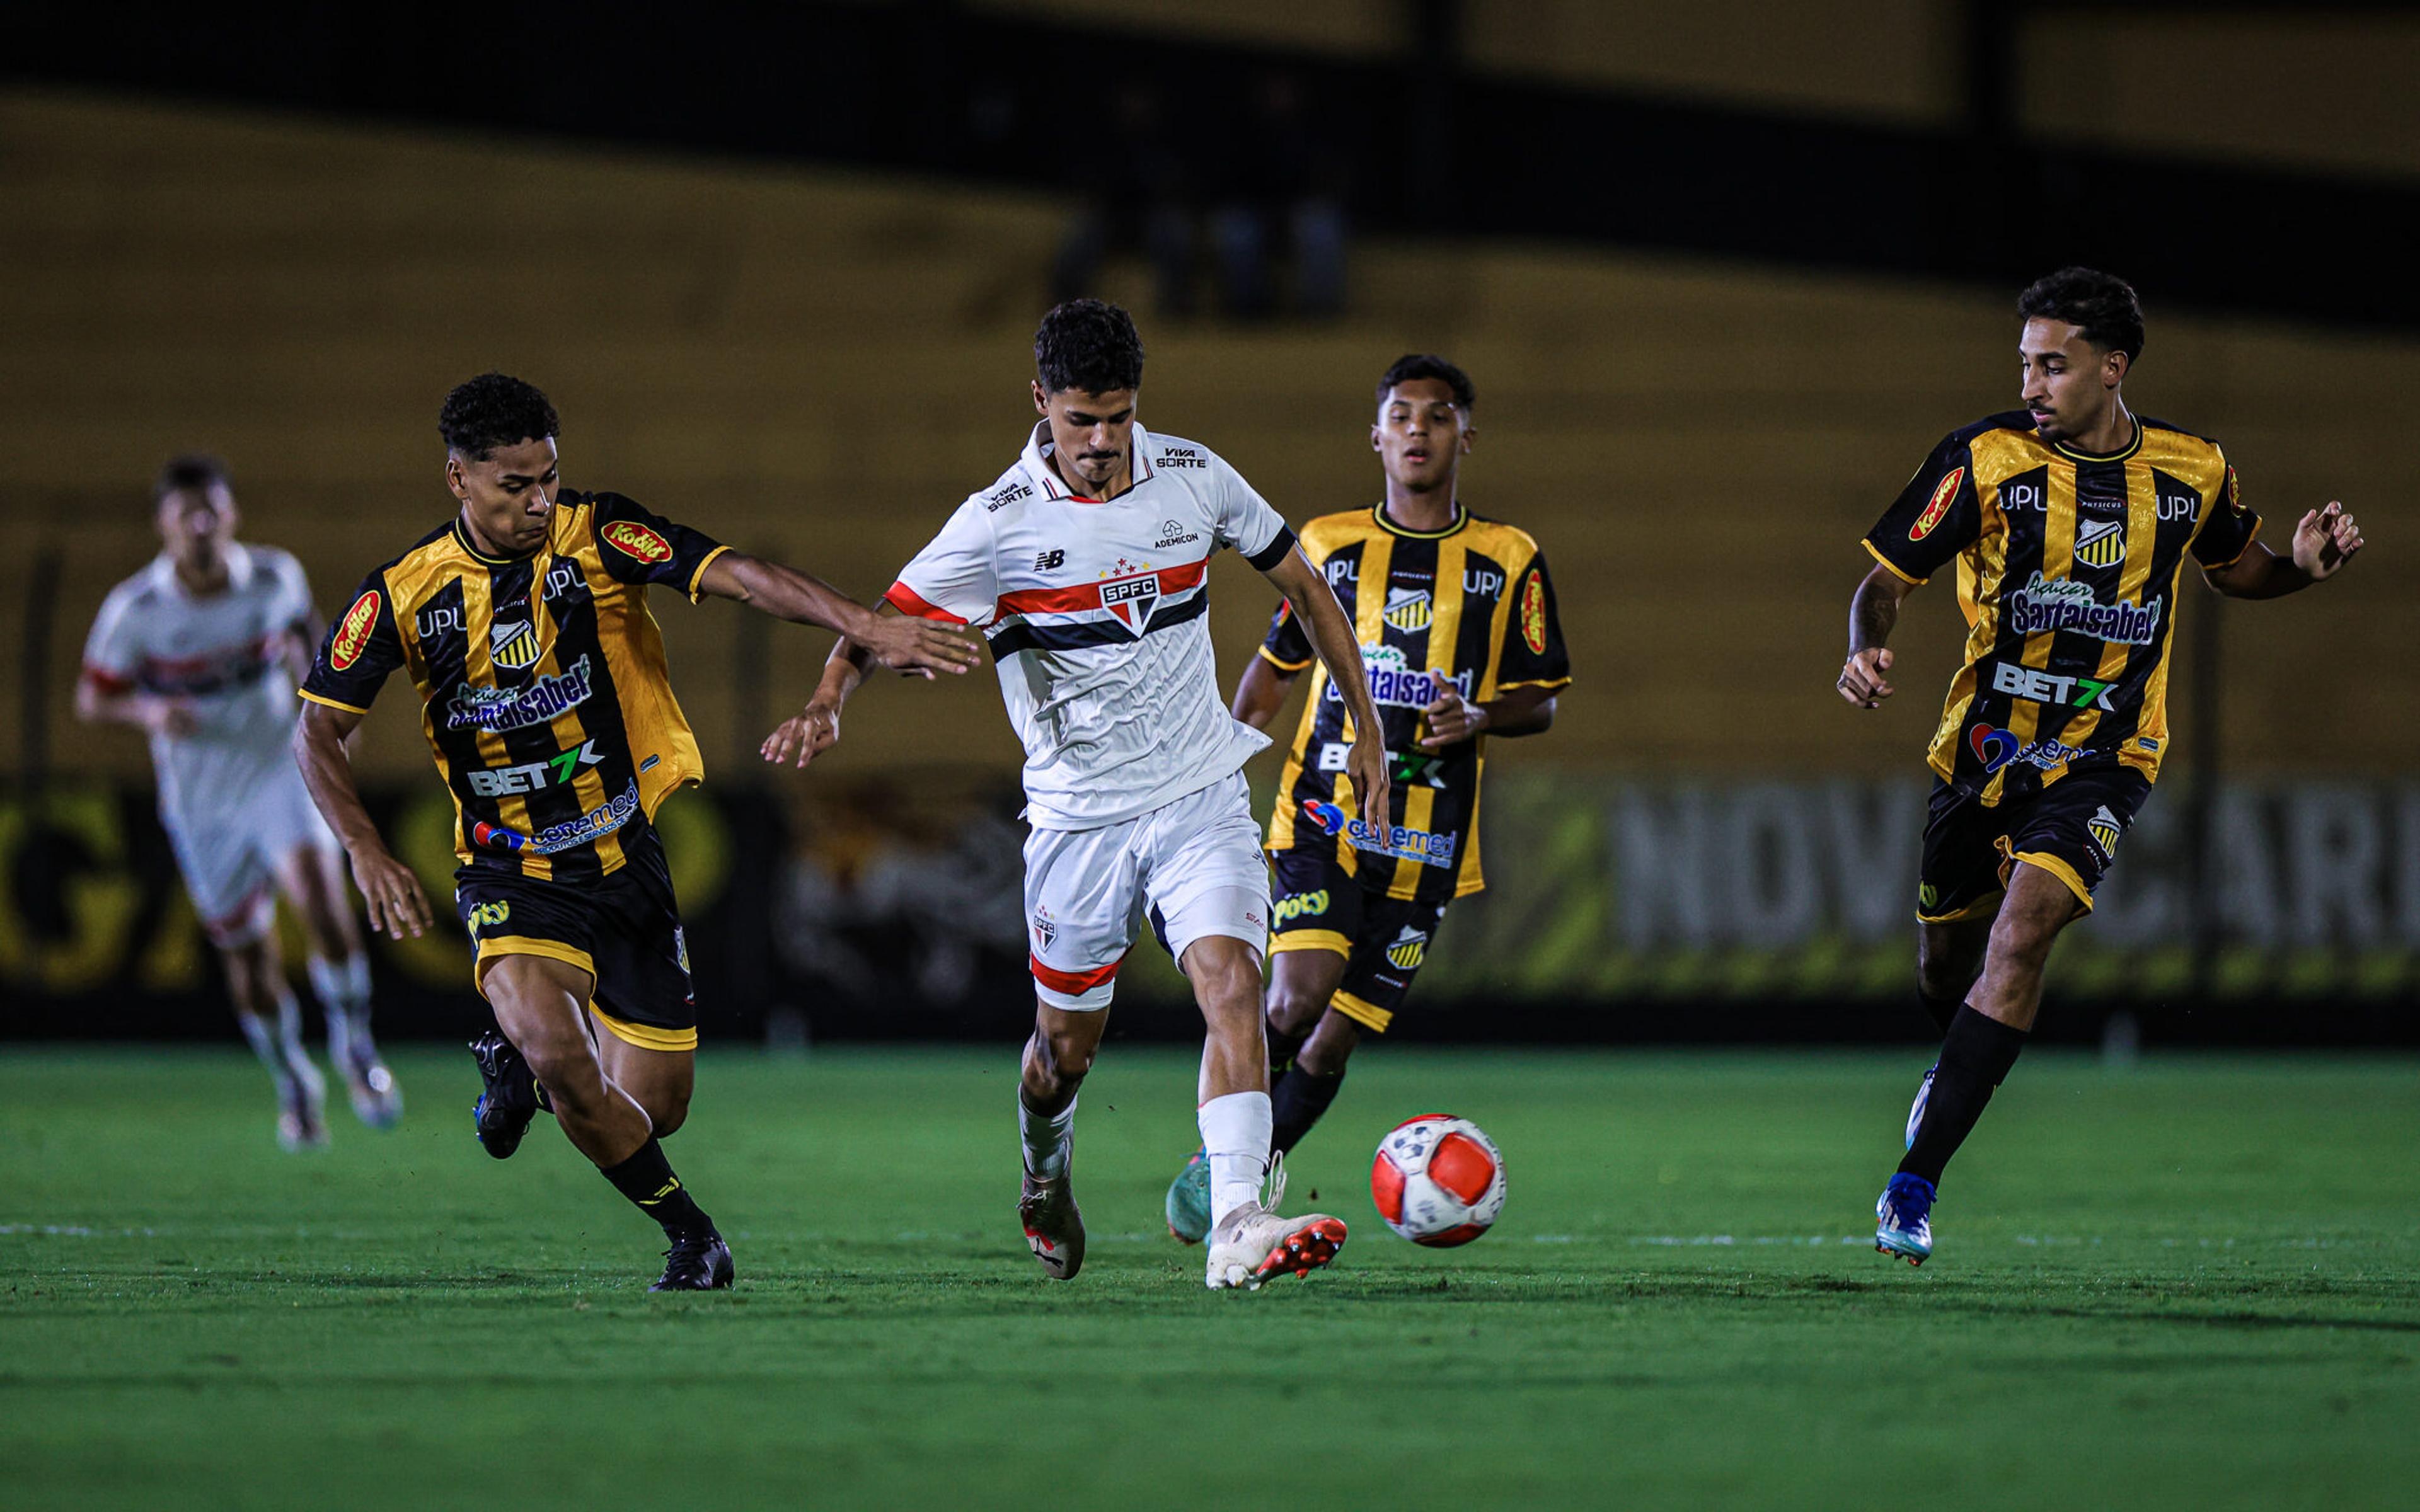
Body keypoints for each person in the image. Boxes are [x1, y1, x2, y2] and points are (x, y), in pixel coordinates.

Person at [292, 374, 974, 1291]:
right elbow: (315, 730)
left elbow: (737, 574)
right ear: (458, 478)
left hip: (626, 863)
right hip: (513, 873)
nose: (539, 502)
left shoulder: (600, 534)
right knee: (569, 1057)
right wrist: (367, 851)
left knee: (652, 1111)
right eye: (515, 485)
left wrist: (864, 624)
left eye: (549, 478)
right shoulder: (403, 598)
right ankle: (694, 1238)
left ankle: (519, 1069)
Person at [766, 300, 1390, 1290]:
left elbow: (1306, 589)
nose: (1102, 444)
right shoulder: (997, 523)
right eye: (1081, 421)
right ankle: (1043, 1169)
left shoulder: (1194, 475)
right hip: (1078, 823)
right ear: (1039, 403)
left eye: (1119, 418)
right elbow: (880, 624)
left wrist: (1366, 723)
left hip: (1198, 793)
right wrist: (828, 700)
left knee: (1231, 983)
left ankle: (1238, 1224)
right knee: (1063, 1052)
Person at [1838, 267, 2366, 1266]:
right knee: (1944, 965)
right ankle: (1953, 1069)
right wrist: (1860, 648)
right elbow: (1884, 583)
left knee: (2025, 930)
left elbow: (2238, 566)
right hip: (1985, 750)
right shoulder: (1985, 460)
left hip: (2108, 756)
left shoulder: (2191, 470)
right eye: (2026, 364)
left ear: (2111, 367)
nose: (2033, 383)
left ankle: (1913, 1185)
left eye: (2055, 365)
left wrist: (2301, 565)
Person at [1158, 354, 1570, 1241]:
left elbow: (1543, 699)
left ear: (1467, 434)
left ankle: (1251, 1168)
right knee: (1295, 995)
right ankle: (1226, 1178)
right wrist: (1214, 777)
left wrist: (1484, 716)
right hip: (1324, 812)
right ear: (1377, 435)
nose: (1419, 430)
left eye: (1439, 416)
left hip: (1430, 844)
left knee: (1335, 1038)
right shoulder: (1331, 546)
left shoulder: (1510, 559)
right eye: (1403, 415)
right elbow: (1270, 676)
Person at [80, 455, 400, 1151]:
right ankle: (292, 1078)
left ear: (231, 515)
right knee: (248, 962)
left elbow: (307, 632)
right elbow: (94, 694)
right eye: (186, 514)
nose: (201, 525)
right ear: (164, 525)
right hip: (201, 800)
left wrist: (328, 706)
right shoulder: (137, 611)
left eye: (212, 511)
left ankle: (356, 1048)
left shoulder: (273, 575)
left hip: (277, 771)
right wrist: (147, 711)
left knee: (324, 903)